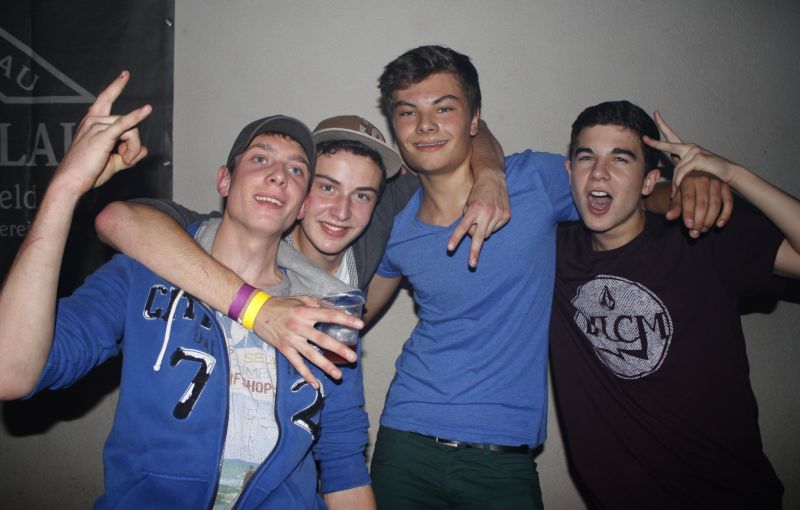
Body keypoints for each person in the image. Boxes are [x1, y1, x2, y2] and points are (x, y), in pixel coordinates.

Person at [363, 46, 732, 510]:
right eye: (407, 112)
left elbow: (624, 193)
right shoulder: (398, 225)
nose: (425, 126)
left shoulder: (534, 179)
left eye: (444, 109)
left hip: (502, 457)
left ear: (474, 120)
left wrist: (689, 187)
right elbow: (354, 316)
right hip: (405, 441)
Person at [0, 72, 374, 509]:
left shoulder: (327, 314)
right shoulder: (143, 271)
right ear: (224, 181)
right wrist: (65, 188)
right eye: (260, 159)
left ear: (303, 205)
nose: (278, 176)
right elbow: (10, 373)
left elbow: (343, 466)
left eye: (296, 170)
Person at [95, 114, 510, 386]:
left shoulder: (372, 220)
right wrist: (257, 308)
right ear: (299, 189)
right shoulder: (242, 236)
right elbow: (121, 220)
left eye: (362, 194)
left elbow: (466, 133)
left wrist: (491, 175)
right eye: (326, 186)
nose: (342, 212)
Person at [549, 100, 798, 509]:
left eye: (620, 159)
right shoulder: (552, 254)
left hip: (729, 495)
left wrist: (733, 175)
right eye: (586, 157)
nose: (599, 172)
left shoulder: (700, 237)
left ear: (650, 181)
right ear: (569, 172)